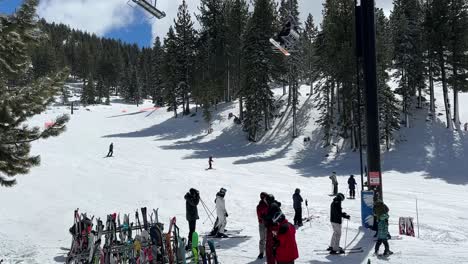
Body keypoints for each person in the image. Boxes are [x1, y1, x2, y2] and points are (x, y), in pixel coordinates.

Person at [263, 194, 282, 264]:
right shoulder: (275, 205)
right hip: (275, 227)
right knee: (274, 246)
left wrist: (265, 217)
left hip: (273, 228)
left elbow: (271, 217)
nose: (266, 202)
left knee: (270, 248)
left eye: (266, 200)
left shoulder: (272, 206)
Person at [256, 192, 269, 259]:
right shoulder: (260, 206)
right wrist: (263, 218)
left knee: (267, 238)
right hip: (262, 224)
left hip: (267, 223)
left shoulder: (268, 205)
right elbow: (259, 215)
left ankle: (267, 252)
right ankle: (261, 252)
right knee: (263, 238)